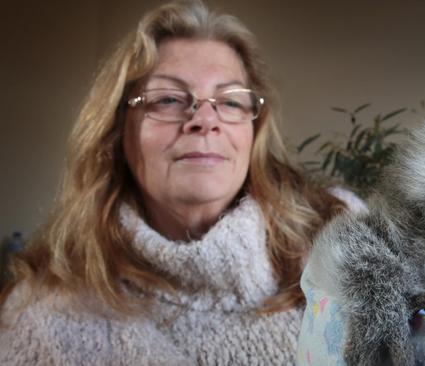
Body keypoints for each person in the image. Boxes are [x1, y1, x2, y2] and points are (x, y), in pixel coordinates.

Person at [0, 1, 364, 364]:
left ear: (254, 129)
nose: (205, 120)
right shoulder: (41, 317)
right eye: (169, 98)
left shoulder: (342, 233)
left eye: (231, 101)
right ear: (117, 130)